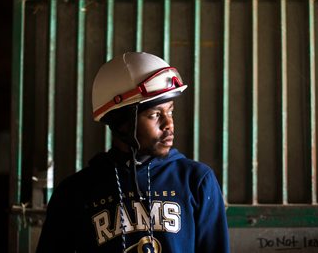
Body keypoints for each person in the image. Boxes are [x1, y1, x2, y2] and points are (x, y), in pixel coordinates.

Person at [36, 51, 230, 253]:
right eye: (155, 114)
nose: (169, 124)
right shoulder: (75, 192)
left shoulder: (196, 181)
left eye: (170, 111)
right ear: (121, 122)